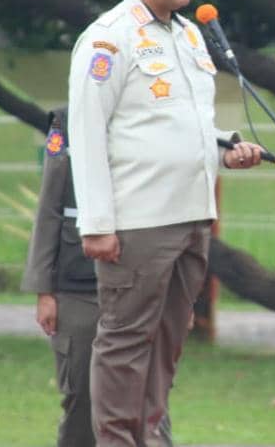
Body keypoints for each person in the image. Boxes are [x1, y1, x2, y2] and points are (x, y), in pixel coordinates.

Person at [67, 0, 263, 447]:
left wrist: (226, 147)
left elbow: (178, 122)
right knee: (125, 344)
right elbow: (86, 135)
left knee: (168, 342)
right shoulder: (109, 38)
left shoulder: (188, 33)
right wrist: (98, 224)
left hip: (191, 215)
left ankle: (152, 435)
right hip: (138, 220)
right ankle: (116, 440)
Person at [22, 108, 176, 447]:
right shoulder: (68, 122)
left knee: (148, 399)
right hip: (78, 286)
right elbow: (49, 208)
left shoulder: (152, 119)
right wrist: (44, 290)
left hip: (140, 283)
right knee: (81, 397)